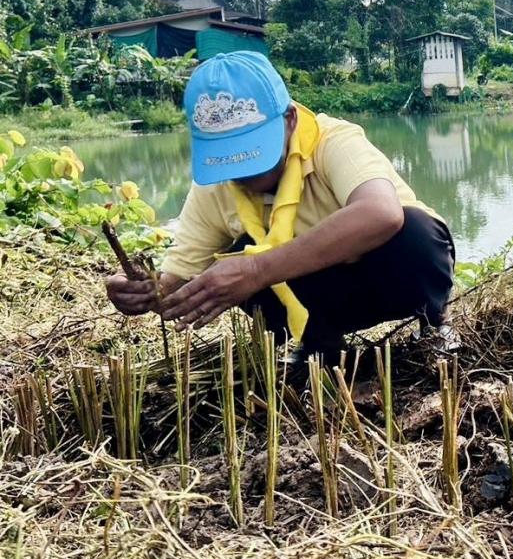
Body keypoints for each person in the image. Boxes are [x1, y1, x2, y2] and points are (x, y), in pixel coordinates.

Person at [105, 51, 454, 364]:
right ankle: (320, 348)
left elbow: (381, 214)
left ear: (289, 119)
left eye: (253, 153)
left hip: (390, 278)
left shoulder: (334, 141)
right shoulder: (213, 185)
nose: (241, 171)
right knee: (235, 256)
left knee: (412, 231)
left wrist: (256, 270)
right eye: (227, 158)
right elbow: (180, 277)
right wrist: (146, 291)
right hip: (322, 299)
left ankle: (433, 324)